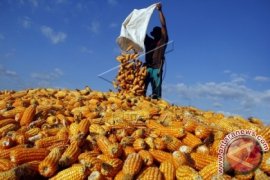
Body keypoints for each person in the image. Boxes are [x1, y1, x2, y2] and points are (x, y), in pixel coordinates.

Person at [144, 3, 168, 99]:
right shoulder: (149, 41)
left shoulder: (162, 41)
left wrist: (160, 11)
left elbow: (163, 25)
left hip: (157, 67)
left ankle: (157, 102)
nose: (155, 35)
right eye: (154, 33)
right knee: (141, 87)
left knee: (156, 91)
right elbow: (141, 32)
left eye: (157, 33)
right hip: (147, 67)